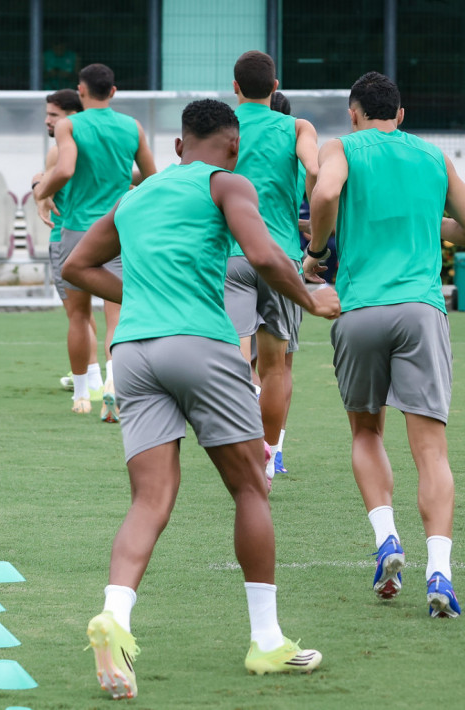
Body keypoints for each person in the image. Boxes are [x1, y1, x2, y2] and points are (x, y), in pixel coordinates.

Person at [62, 99, 338, 699]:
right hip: (201, 345)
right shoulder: (228, 182)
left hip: (132, 351)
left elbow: (77, 263)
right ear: (232, 148)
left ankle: (116, 617)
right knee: (250, 485)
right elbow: (264, 254)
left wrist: (138, 294)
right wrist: (313, 301)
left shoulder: (138, 194)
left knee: (150, 497)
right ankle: (266, 640)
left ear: (181, 144)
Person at [305, 71, 464, 618]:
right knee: (431, 451)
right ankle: (439, 570)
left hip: (361, 309)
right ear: (400, 115)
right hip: (421, 311)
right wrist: (430, 226)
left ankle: (387, 540)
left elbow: (326, 191)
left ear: (354, 113)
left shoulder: (341, 146)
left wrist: (318, 249)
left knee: (367, 430)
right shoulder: (433, 157)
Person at [34, 63, 156, 420]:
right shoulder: (132, 127)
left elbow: (66, 169)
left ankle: (83, 395)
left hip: (76, 231)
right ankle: (115, 385)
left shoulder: (70, 125)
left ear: (81, 91)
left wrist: (41, 191)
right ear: (113, 92)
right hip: (117, 230)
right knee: (117, 316)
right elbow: (150, 176)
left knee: (79, 316)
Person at [224, 51, 319, 483]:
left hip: (230, 255)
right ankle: (269, 459)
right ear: (275, 85)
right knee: (277, 367)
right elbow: (315, 170)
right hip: (279, 257)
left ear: (235, 87)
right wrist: (316, 228)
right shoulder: (296, 127)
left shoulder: (223, 129)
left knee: (234, 359)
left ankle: (241, 445)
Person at [32, 89, 99, 393]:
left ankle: (90, 377)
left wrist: (38, 186)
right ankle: (102, 376)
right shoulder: (99, 144)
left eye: (53, 116)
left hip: (66, 236)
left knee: (77, 314)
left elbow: (50, 185)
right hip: (102, 235)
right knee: (97, 313)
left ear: (72, 117)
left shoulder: (61, 149)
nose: (47, 121)